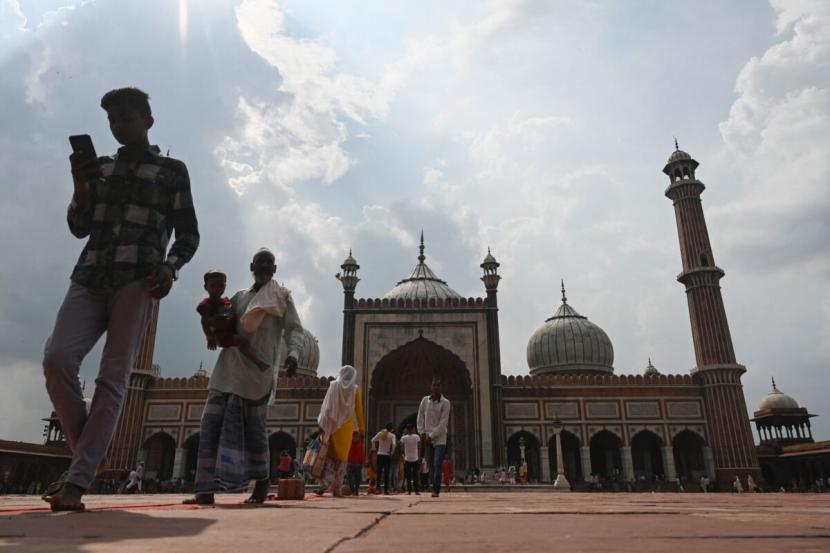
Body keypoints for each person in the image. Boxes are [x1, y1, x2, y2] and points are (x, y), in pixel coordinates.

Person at [41, 88, 199, 511]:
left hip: (137, 279)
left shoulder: (171, 171)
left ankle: (76, 482)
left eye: (126, 118)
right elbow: (79, 227)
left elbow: (188, 233)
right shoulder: (103, 169)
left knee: (113, 378)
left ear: (149, 120)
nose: (118, 126)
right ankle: (89, 457)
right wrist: (80, 187)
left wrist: (171, 267)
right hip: (90, 273)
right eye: (112, 120)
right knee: (56, 359)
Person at [183, 249, 304, 505]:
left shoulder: (281, 298)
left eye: (268, 263)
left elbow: (294, 330)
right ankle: (204, 490)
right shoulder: (238, 298)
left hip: (256, 375)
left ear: (274, 269)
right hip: (227, 370)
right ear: (252, 266)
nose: (263, 266)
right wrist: (211, 324)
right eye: (259, 262)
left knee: (256, 433)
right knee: (209, 426)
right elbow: (224, 323)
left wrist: (293, 355)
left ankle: (261, 487)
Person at [198, 270, 269, 370]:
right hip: (222, 335)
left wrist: (227, 315)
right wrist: (210, 338)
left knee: (243, 341)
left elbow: (230, 313)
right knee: (241, 341)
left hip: (232, 330)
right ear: (206, 287)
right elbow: (204, 322)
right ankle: (258, 362)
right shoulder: (206, 305)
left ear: (225, 286)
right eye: (213, 286)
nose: (217, 289)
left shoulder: (226, 301)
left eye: (221, 285)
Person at [315, 365, 364, 497]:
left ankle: (325, 483)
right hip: (346, 429)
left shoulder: (333, 386)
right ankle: (336, 489)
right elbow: (358, 411)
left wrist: (322, 426)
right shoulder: (355, 390)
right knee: (342, 460)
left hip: (332, 427)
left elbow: (326, 408)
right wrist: (362, 429)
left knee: (330, 458)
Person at [417, 377, 451, 497]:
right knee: (431, 464)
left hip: (440, 437)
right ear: (431, 387)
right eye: (434, 385)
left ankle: (436, 489)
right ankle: (433, 486)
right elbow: (420, 417)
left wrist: (431, 436)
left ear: (441, 387)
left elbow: (443, 424)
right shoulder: (425, 401)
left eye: (438, 385)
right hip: (427, 437)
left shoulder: (445, 403)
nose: (435, 388)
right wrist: (421, 432)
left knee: (437, 463)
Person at [371, 423, 396, 495]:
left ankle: (378, 489)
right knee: (386, 473)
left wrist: (374, 449)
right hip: (387, 455)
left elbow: (372, 440)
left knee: (379, 472)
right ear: (391, 429)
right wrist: (392, 452)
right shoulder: (392, 435)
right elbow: (394, 444)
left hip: (379, 454)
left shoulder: (380, 433)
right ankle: (385, 490)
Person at [400, 424, 421, 495]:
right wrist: (419, 456)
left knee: (408, 476)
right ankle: (416, 491)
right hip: (415, 458)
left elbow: (401, 447)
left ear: (406, 429)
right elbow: (419, 447)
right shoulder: (417, 437)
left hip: (407, 459)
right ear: (413, 429)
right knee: (416, 476)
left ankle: (409, 491)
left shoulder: (404, 438)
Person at [347, 431, 365, 496]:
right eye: (354, 436)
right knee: (350, 478)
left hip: (357, 464)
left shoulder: (360, 445)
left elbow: (362, 454)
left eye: (357, 437)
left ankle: (355, 490)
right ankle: (353, 490)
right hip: (350, 463)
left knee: (358, 478)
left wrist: (362, 462)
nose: (355, 438)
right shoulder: (349, 444)